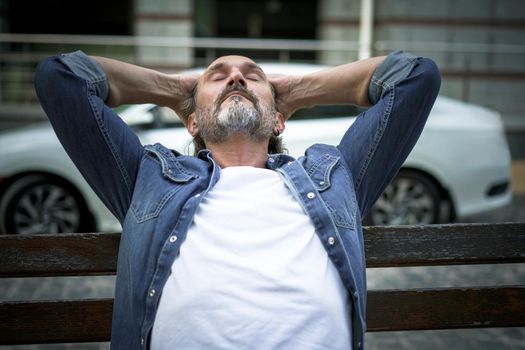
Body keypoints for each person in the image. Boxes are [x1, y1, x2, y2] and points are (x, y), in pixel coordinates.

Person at [34, 47, 440, 350]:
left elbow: (415, 76)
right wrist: (176, 91)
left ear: (279, 118)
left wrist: (296, 91)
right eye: (218, 76)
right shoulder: (149, 179)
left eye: (252, 75)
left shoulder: (335, 176)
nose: (236, 78)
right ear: (192, 121)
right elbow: (61, 78)